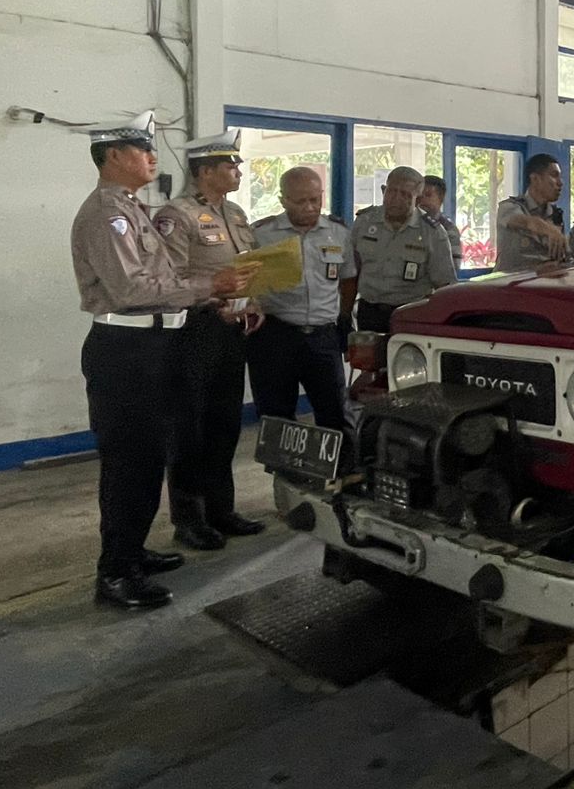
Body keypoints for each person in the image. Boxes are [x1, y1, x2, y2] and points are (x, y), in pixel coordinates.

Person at [70, 111, 255, 610]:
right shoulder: (106, 214)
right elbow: (130, 289)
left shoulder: (130, 207)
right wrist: (210, 284)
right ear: (113, 156)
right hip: (127, 350)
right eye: (143, 149)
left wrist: (212, 295)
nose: (153, 157)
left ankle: (131, 551)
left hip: (155, 344)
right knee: (129, 464)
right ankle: (116, 573)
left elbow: (165, 281)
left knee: (150, 458)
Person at [153, 129, 265, 551]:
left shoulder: (235, 213)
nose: (238, 171)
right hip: (194, 330)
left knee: (224, 423)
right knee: (190, 427)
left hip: (232, 330)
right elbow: (171, 278)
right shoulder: (176, 215)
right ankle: (189, 518)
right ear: (204, 172)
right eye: (230, 165)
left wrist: (254, 303)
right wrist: (213, 300)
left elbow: (247, 268)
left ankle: (221, 510)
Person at [247, 167, 356, 436]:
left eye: (315, 199)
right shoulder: (261, 235)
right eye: (300, 201)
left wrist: (343, 318)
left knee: (335, 414)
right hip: (276, 335)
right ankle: (283, 465)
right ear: (283, 200)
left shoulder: (338, 232)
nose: (309, 207)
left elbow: (348, 279)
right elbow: (245, 281)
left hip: (323, 336)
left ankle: (342, 464)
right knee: (276, 415)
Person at [351, 166, 456, 332]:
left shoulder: (432, 232)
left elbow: (444, 285)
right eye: (391, 191)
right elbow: (351, 272)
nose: (396, 199)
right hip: (369, 312)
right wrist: (345, 314)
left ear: (418, 199)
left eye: (405, 195)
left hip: (412, 314)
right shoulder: (364, 222)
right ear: (383, 191)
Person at [497, 154, 567, 272]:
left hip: (544, 280)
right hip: (511, 281)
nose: (560, 183)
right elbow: (525, 222)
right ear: (535, 179)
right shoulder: (509, 207)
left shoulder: (555, 215)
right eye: (554, 175)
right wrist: (549, 230)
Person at [418, 174, 463, 272]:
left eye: (428, 195)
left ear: (441, 198)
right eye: (420, 196)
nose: (422, 200)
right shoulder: (410, 224)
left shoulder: (449, 229)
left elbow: (453, 267)